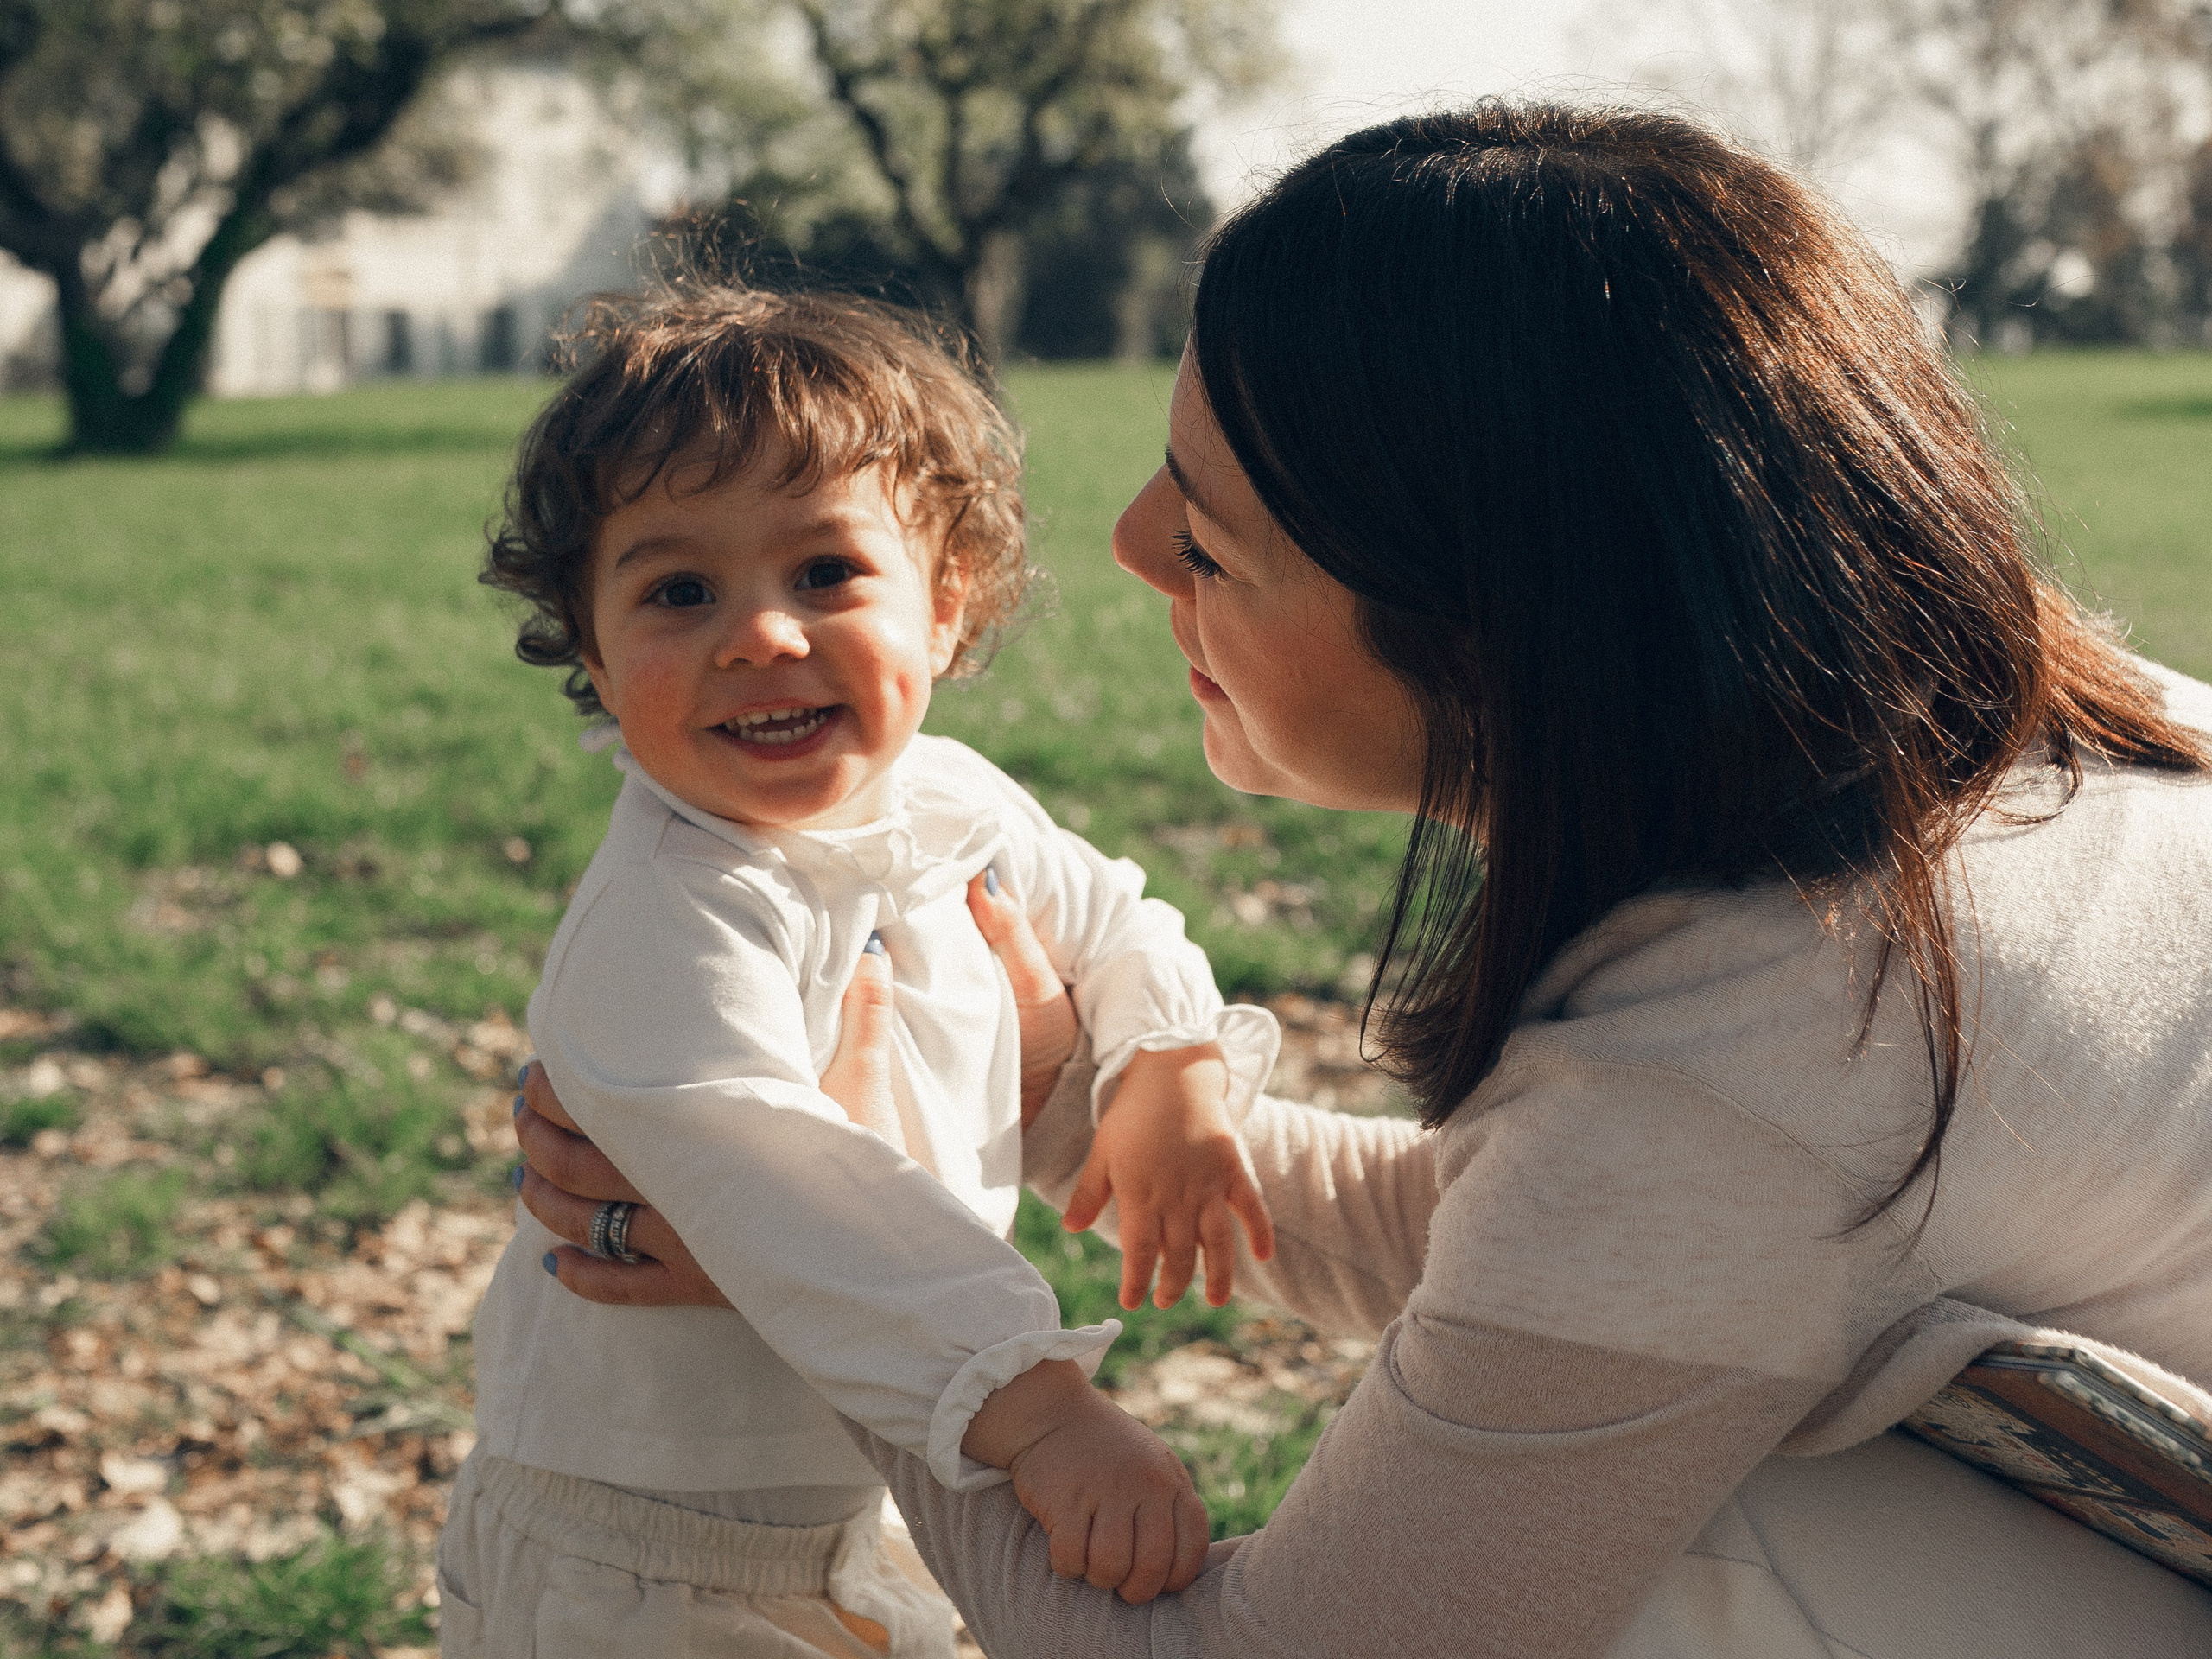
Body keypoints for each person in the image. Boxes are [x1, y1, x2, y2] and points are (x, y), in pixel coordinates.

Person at [512, 103, 2212, 1656]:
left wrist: (825, 1281)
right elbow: (1576, 1272)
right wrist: (1064, 1102)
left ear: (1486, 635)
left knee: (1695, 1554)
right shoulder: (2101, 753)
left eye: (1209, 525)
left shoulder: (1750, 1080)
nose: (1121, 546)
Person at [442, 285, 1284, 1658]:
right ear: (590, 654)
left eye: (825, 573)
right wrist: (1042, 1412)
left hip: (882, 1475)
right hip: (655, 1546)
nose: (761, 634)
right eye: (678, 591)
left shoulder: (951, 802)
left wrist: (1170, 1069)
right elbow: (792, 1187)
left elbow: (1116, 917)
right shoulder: (675, 910)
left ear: (947, 607)